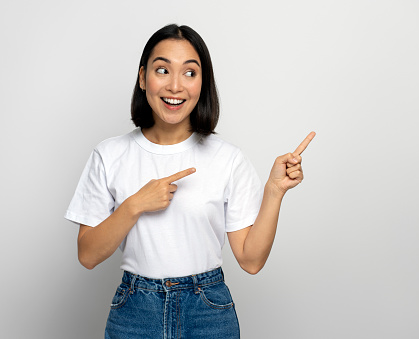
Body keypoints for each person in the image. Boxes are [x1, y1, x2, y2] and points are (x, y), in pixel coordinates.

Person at [65, 24, 315, 339]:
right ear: (143, 78)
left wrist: (274, 192)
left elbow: (251, 261)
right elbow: (87, 255)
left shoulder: (228, 158)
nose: (175, 86)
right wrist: (135, 205)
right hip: (135, 312)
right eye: (162, 70)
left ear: (202, 83)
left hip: (207, 310)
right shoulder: (109, 155)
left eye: (189, 73)